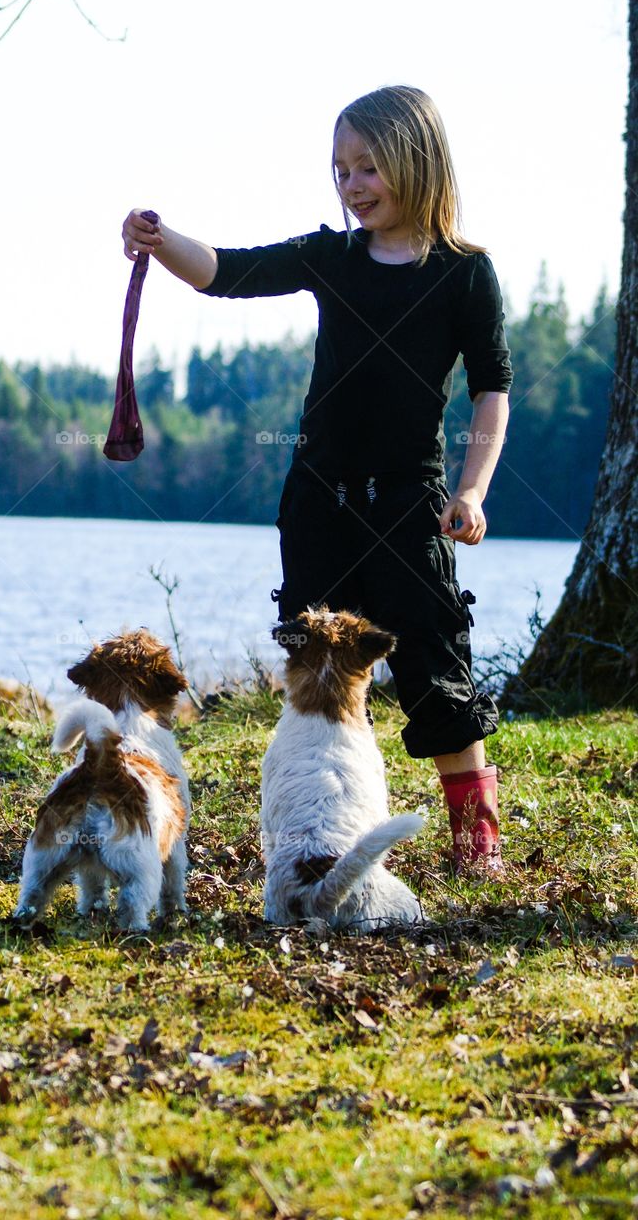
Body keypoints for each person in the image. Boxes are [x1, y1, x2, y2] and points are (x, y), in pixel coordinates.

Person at [121, 84, 511, 875]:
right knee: (318, 671)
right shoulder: (332, 258)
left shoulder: (467, 274)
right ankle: (323, 827)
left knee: (436, 673)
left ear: (417, 161)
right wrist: (162, 242)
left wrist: (471, 492)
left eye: (369, 167)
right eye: (341, 170)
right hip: (320, 499)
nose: (353, 185)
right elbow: (225, 271)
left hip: (410, 505)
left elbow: (491, 387)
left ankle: (477, 845)